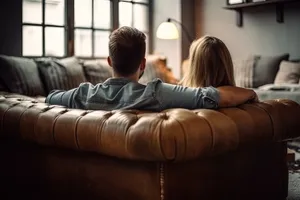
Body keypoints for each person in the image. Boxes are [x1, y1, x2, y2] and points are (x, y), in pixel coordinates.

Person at [45, 26, 257, 111]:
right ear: (143, 64)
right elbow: (213, 96)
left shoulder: (83, 94)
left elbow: (50, 98)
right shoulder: (157, 93)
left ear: (109, 61)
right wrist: (251, 92)